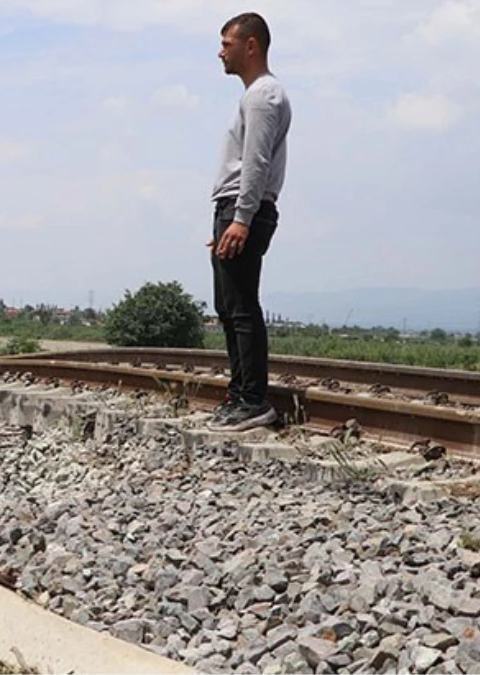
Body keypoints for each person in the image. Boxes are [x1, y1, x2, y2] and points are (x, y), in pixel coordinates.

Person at [206, 12, 291, 432]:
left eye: (227, 44)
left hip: (244, 209)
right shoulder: (256, 95)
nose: (220, 52)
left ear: (251, 45)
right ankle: (239, 395)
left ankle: (253, 400)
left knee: (241, 308)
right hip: (236, 208)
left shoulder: (262, 96)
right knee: (228, 307)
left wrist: (240, 219)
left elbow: (255, 162)